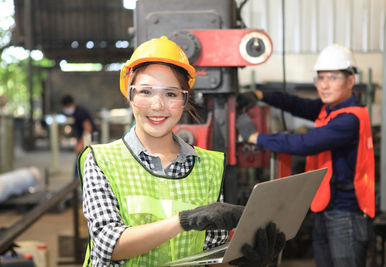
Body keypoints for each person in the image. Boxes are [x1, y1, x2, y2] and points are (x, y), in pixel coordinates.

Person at [78, 36, 285, 267]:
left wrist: (245, 261)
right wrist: (183, 221)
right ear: (130, 95)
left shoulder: (207, 167)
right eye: (146, 92)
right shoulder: (102, 161)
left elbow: (209, 256)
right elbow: (109, 245)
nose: (157, 106)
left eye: (171, 94)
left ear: (184, 101)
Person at [236, 44, 374, 267]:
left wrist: (255, 138)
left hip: (345, 213)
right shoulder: (329, 109)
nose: (324, 85)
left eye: (332, 78)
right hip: (325, 208)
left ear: (350, 81)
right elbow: (294, 103)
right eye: (320, 78)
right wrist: (259, 95)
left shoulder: (350, 119)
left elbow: (305, 143)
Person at [61, 95, 97, 178]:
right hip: (88, 139)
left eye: (67, 106)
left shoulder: (79, 113)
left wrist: (81, 144)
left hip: (89, 140)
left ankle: (76, 183)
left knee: (81, 165)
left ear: (71, 104)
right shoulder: (77, 112)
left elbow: (88, 128)